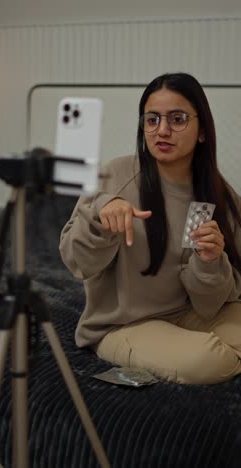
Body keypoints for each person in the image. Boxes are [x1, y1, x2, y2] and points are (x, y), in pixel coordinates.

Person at [59, 72, 241, 385]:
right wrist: (101, 220)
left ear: (202, 131)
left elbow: (212, 304)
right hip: (125, 325)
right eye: (152, 119)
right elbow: (77, 263)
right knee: (208, 360)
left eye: (178, 118)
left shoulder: (219, 196)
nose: (163, 130)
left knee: (219, 350)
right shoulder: (115, 176)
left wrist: (210, 261)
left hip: (188, 313)